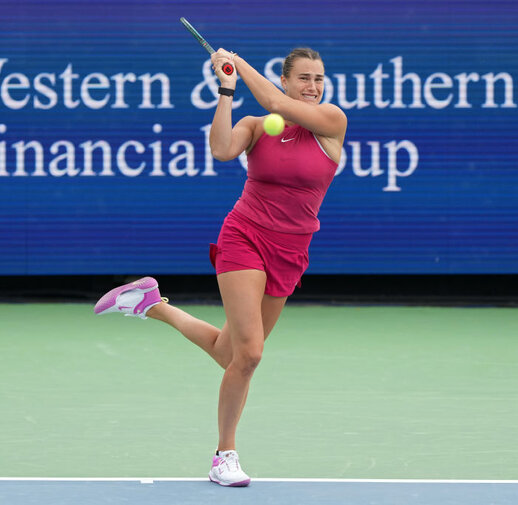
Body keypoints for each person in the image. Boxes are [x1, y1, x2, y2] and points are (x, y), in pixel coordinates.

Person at [94, 47, 347, 487]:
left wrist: (238, 63)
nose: (312, 86)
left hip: (291, 252)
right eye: (303, 78)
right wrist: (226, 89)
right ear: (285, 79)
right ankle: (223, 456)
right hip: (245, 237)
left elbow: (274, 102)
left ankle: (152, 304)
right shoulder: (255, 126)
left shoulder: (332, 122)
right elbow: (221, 148)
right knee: (250, 355)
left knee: (231, 354)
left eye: (318, 78)